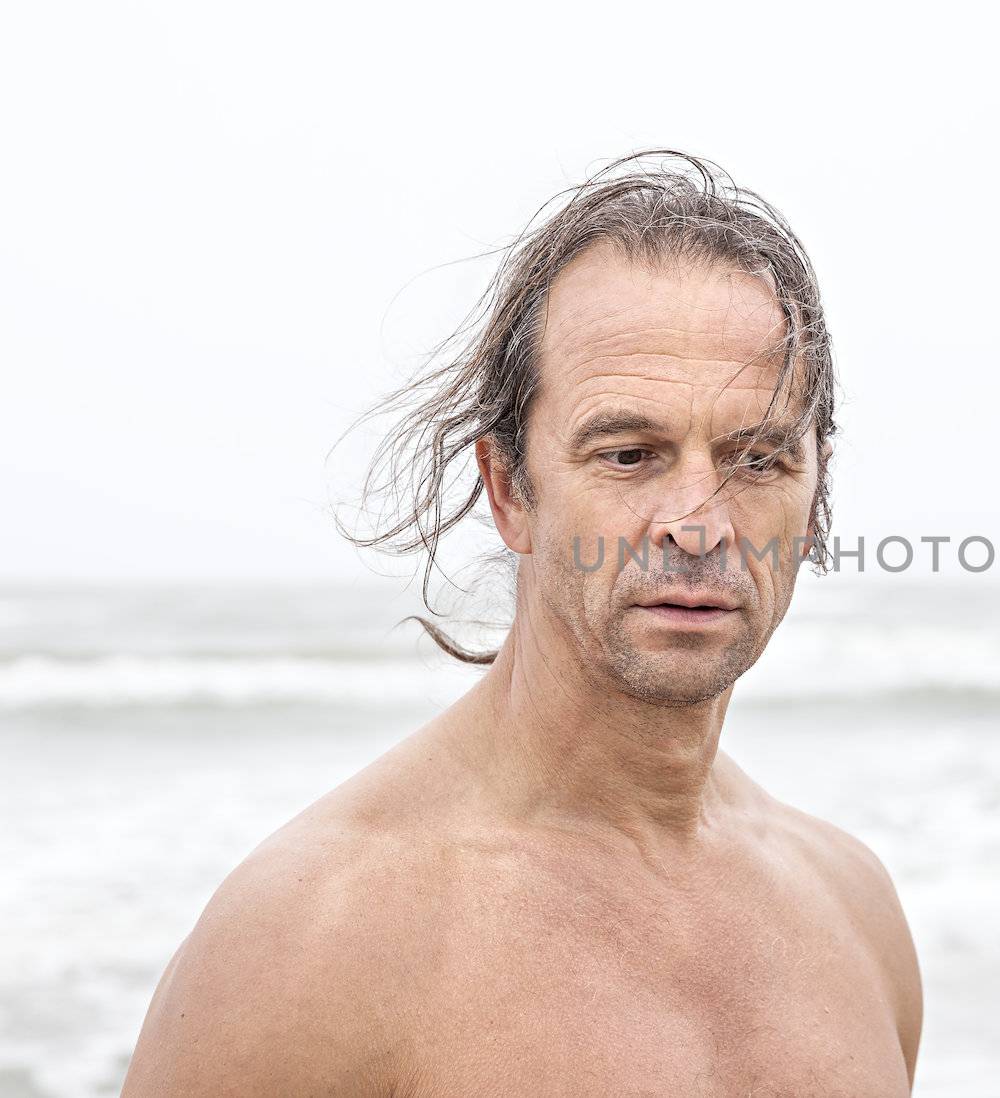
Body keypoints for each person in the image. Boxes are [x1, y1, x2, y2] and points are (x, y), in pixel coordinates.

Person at [122, 151, 923, 1096]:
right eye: (629, 454)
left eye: (756, 459)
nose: (699, 523)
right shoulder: (315, 940)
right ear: (510, 490)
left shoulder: (852, 910)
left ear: (814, 484)